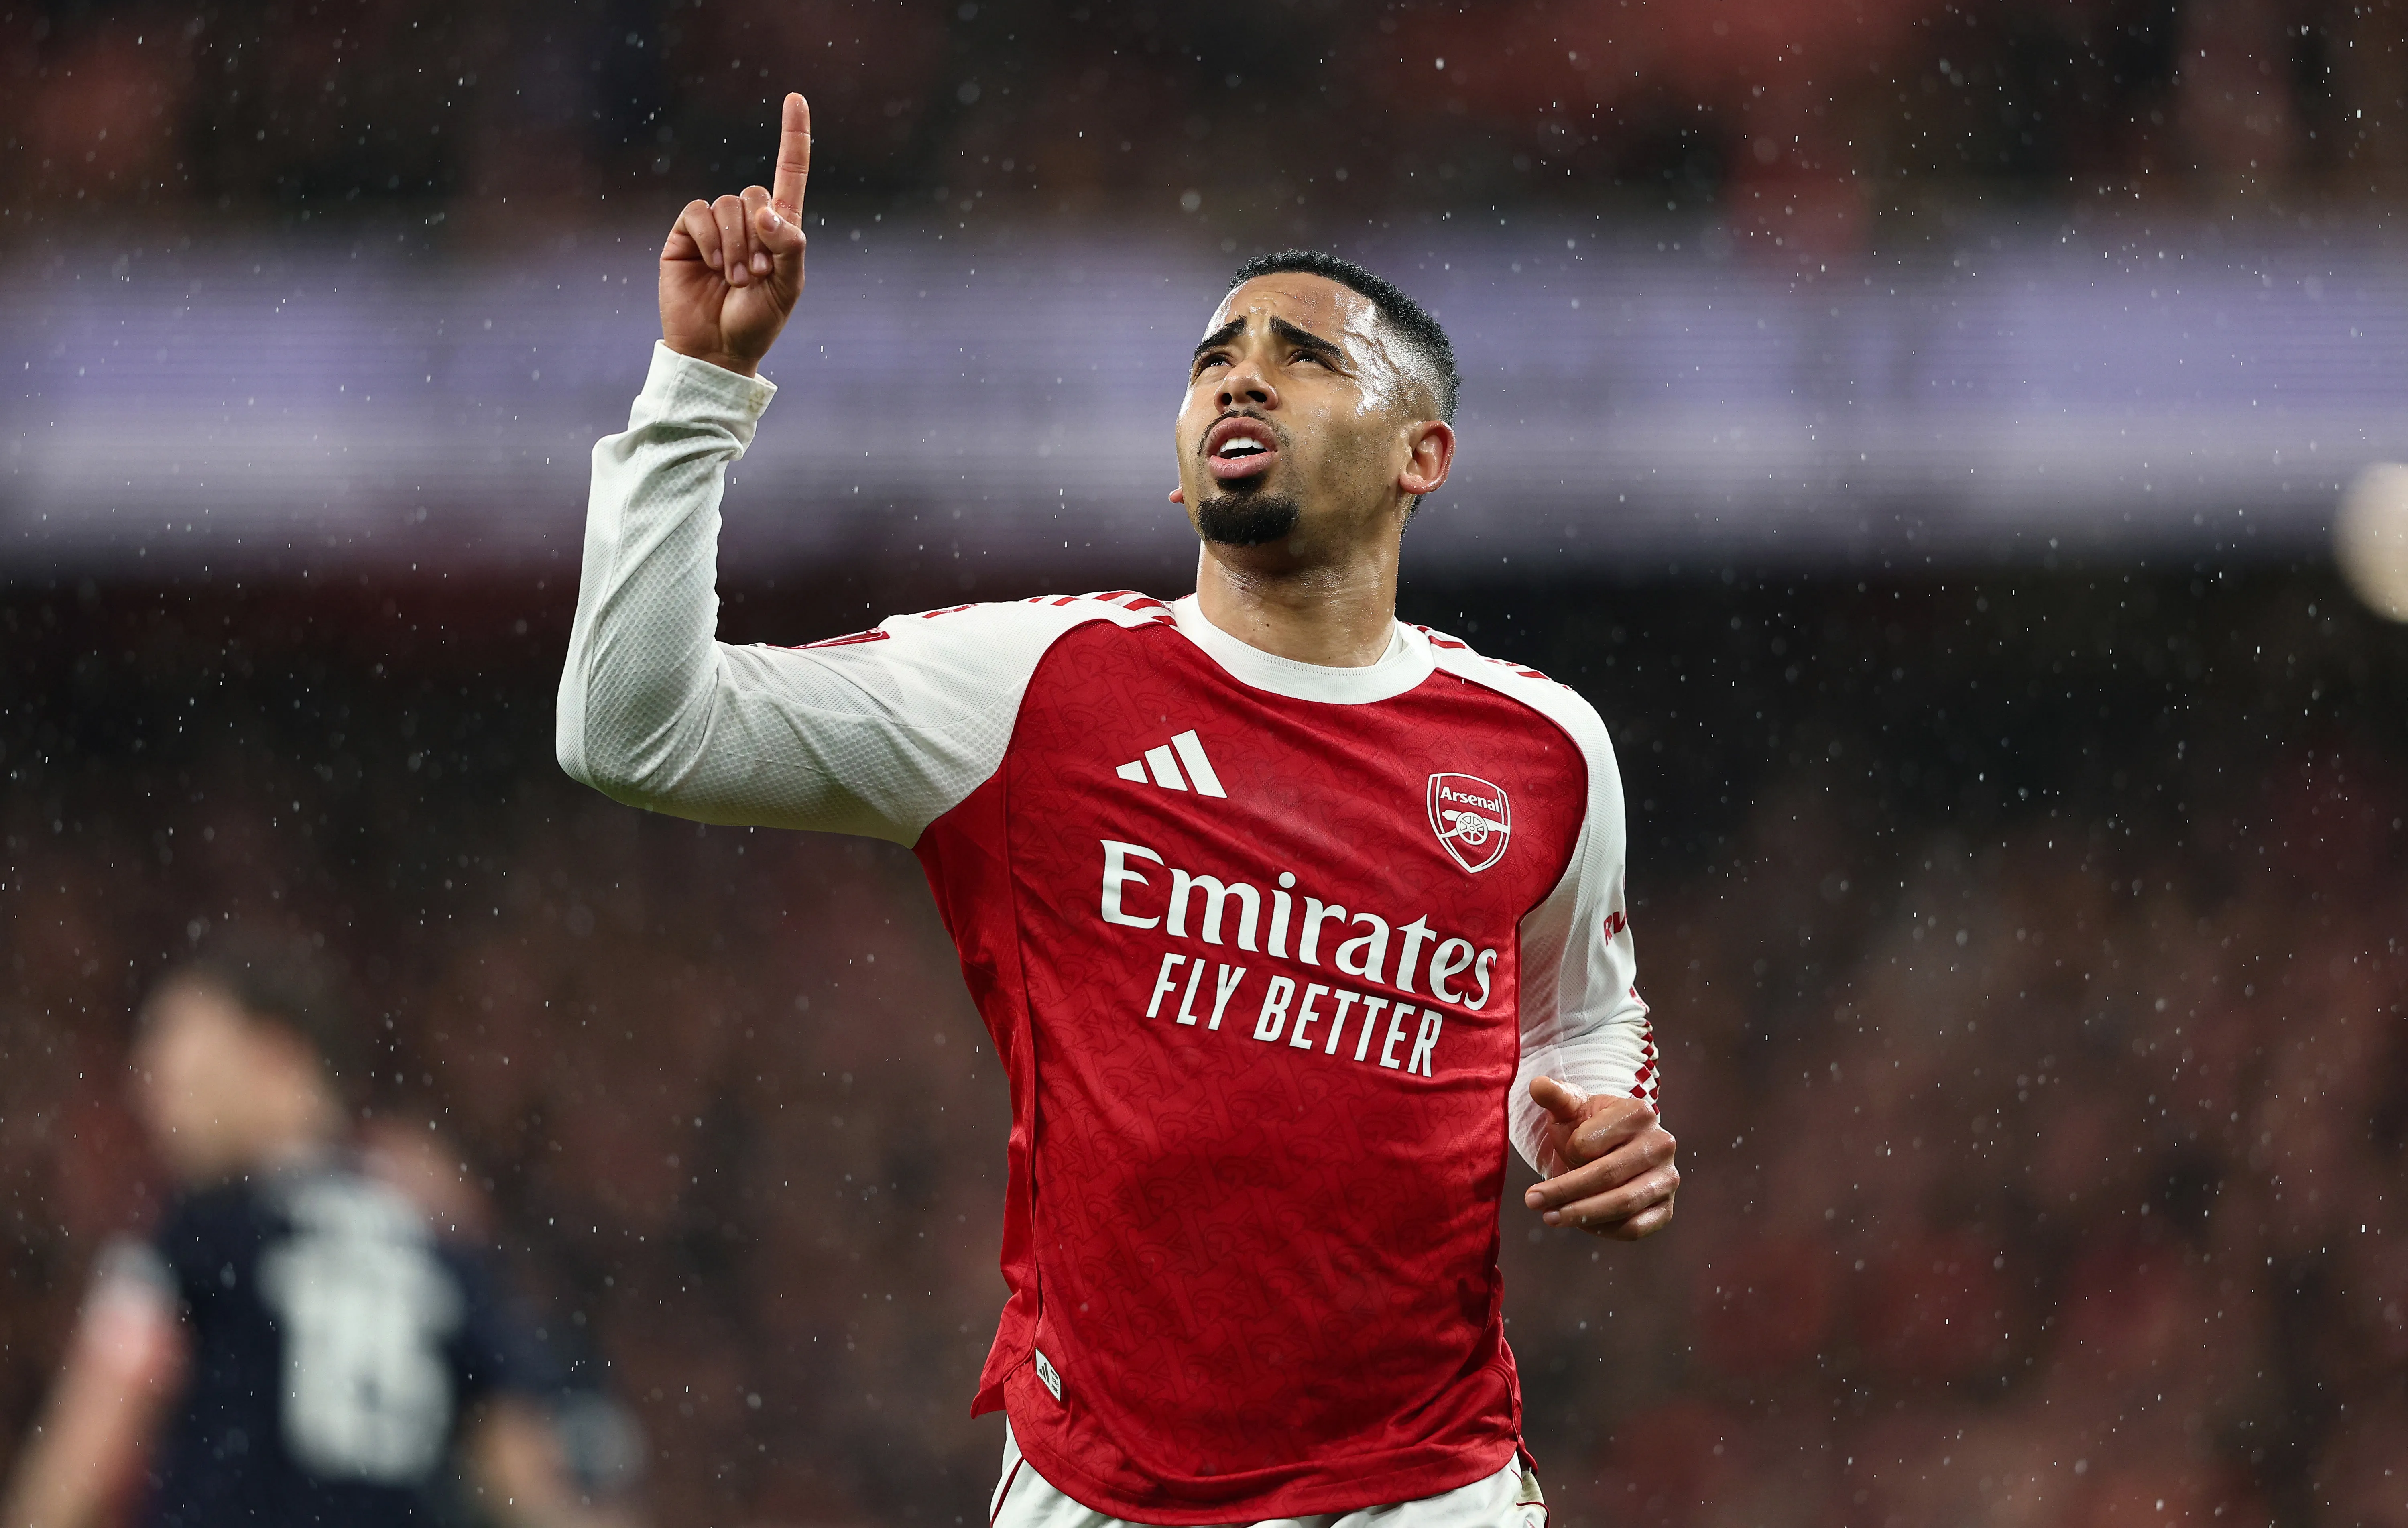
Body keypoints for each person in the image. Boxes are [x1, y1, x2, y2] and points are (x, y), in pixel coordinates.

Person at [555, 93, 1681, 1524]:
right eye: (1215, 360)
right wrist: (696, 393)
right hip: (1104, 1486)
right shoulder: (1034, 685)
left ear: (1423, 456)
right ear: (1178, 455)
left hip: (1425, 1486)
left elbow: (1579, 1018)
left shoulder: (1541, 748)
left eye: (1305, 359)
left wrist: (1589, 1120)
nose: (1242, 380)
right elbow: (635, 730)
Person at [0, 944, 633, 1528]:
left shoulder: (201, 1235)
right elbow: (522, 1468)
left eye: (184, 1071)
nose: (153, 1094)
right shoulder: (433, 1237)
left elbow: (84, 1451)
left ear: (276, 1059)